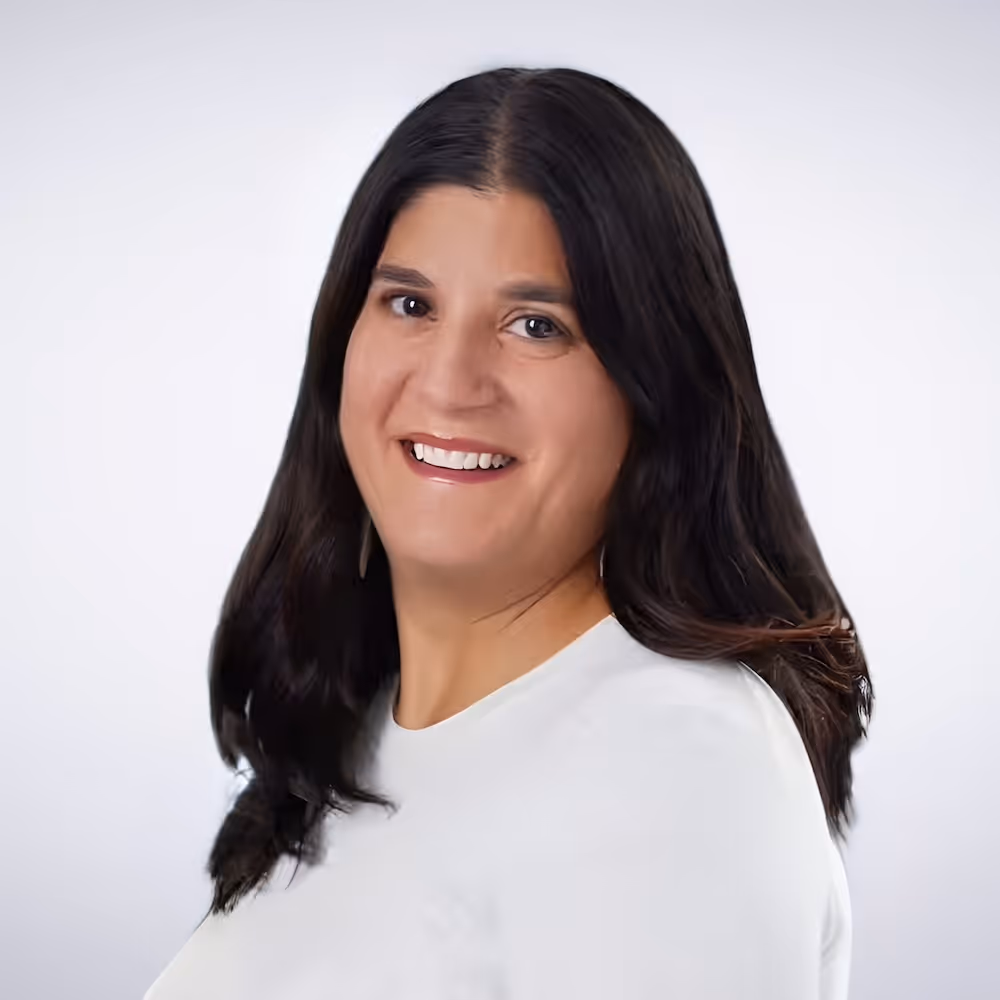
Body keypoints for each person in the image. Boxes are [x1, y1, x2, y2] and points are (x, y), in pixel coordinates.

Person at [144, 65, 873, 1000]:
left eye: (536, 325)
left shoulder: (674, 755)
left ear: (655, 387)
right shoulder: (352, 744)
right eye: (410, 304)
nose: (450, 382)